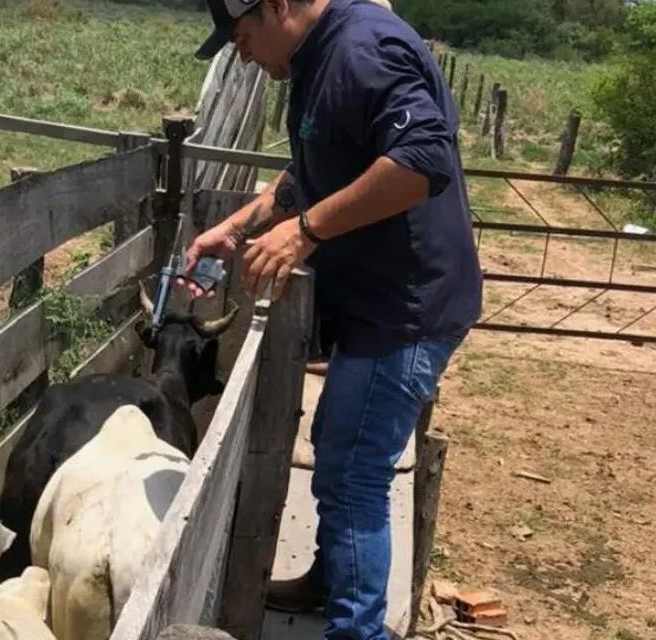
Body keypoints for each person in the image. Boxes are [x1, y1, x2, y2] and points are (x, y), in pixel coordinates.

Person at [179, 1, 483, 638]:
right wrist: (237, 227)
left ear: (278, 6)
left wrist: (306, 232)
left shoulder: (361, 51)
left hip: (404, 308)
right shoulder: (317, 58)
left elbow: (421, 160)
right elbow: (313, 168)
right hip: (377, 302)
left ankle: (357, 630)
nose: (243, 55)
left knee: (352, 471)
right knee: (340, 444)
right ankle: (331, 579)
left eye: (243, 36)